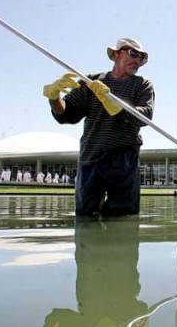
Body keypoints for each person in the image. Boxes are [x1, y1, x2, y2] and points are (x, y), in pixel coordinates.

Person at [43, 38, 154, 216]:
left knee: (123, 218)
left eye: (141, 58)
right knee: (86, 216)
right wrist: (54, 97)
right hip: (91, 156)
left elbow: (145, 116)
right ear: (116, 54)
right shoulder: (90, 81)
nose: (137, 60)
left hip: (124, 158)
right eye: (133, 53)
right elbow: (67, 115)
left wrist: (116, 106)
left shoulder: (142, 84)